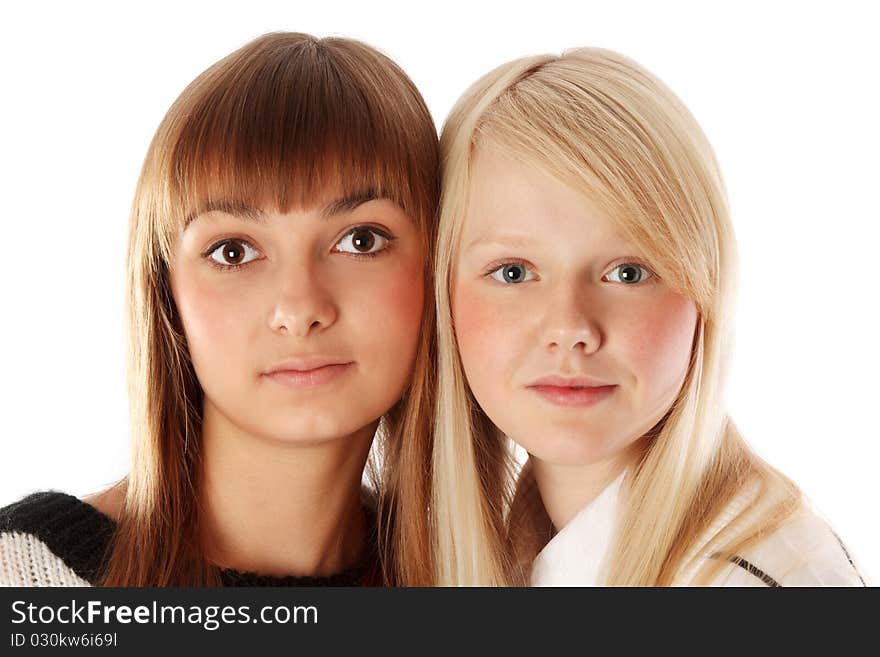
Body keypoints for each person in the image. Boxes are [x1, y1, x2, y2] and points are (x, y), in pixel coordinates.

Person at [0, 32, 438, 586]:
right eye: (234, 252)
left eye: (361, 240)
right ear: (167, 291)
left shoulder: (491, 580)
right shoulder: (24, 579)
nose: (300, 309)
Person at [431, 48, 866, 586]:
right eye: (514, 273)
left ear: (705, 293)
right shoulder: (523, 553)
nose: (570, 328)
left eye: (629, 273)